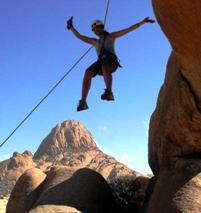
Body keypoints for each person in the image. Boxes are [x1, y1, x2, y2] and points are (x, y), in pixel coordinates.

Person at [67, 17, 155, 111]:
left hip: (111, 61)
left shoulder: (111, 36)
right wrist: (71, 27)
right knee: (88, 71)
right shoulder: (94, 41)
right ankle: (83, 102)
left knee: (105, 66)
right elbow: (79, 36)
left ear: (101, 27)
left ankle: (109, 92)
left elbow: (129, 29)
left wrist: (143, 22)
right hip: (101, 63)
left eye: (96, 28)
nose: (95, 31)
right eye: (93, 30)